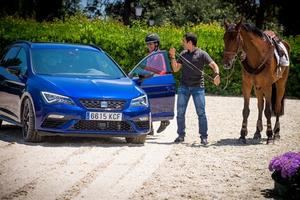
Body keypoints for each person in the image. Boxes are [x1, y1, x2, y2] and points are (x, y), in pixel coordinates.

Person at [169, 32, 220, 145]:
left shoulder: (202, 54)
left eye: (184, 41)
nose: (182, 43)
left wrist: (216, 74)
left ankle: (204, 137)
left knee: (201, 113)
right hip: (184, 87)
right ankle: (181, 135)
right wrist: (172, 57)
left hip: (198, 88)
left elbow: (214, 65)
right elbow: (176, 69)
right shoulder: (183, 53)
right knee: (180, 112)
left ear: (190, 42)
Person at [145, 33, 170, 133]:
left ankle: (163, 120)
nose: (149, 46)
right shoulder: (149, 55)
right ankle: (150, 127)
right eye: (148, 44)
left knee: (151, 103)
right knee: (147, 103)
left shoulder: (159, 55)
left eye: (151, 44)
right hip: (149, 81)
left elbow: (162, 70)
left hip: (156, 81)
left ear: (156, 44)